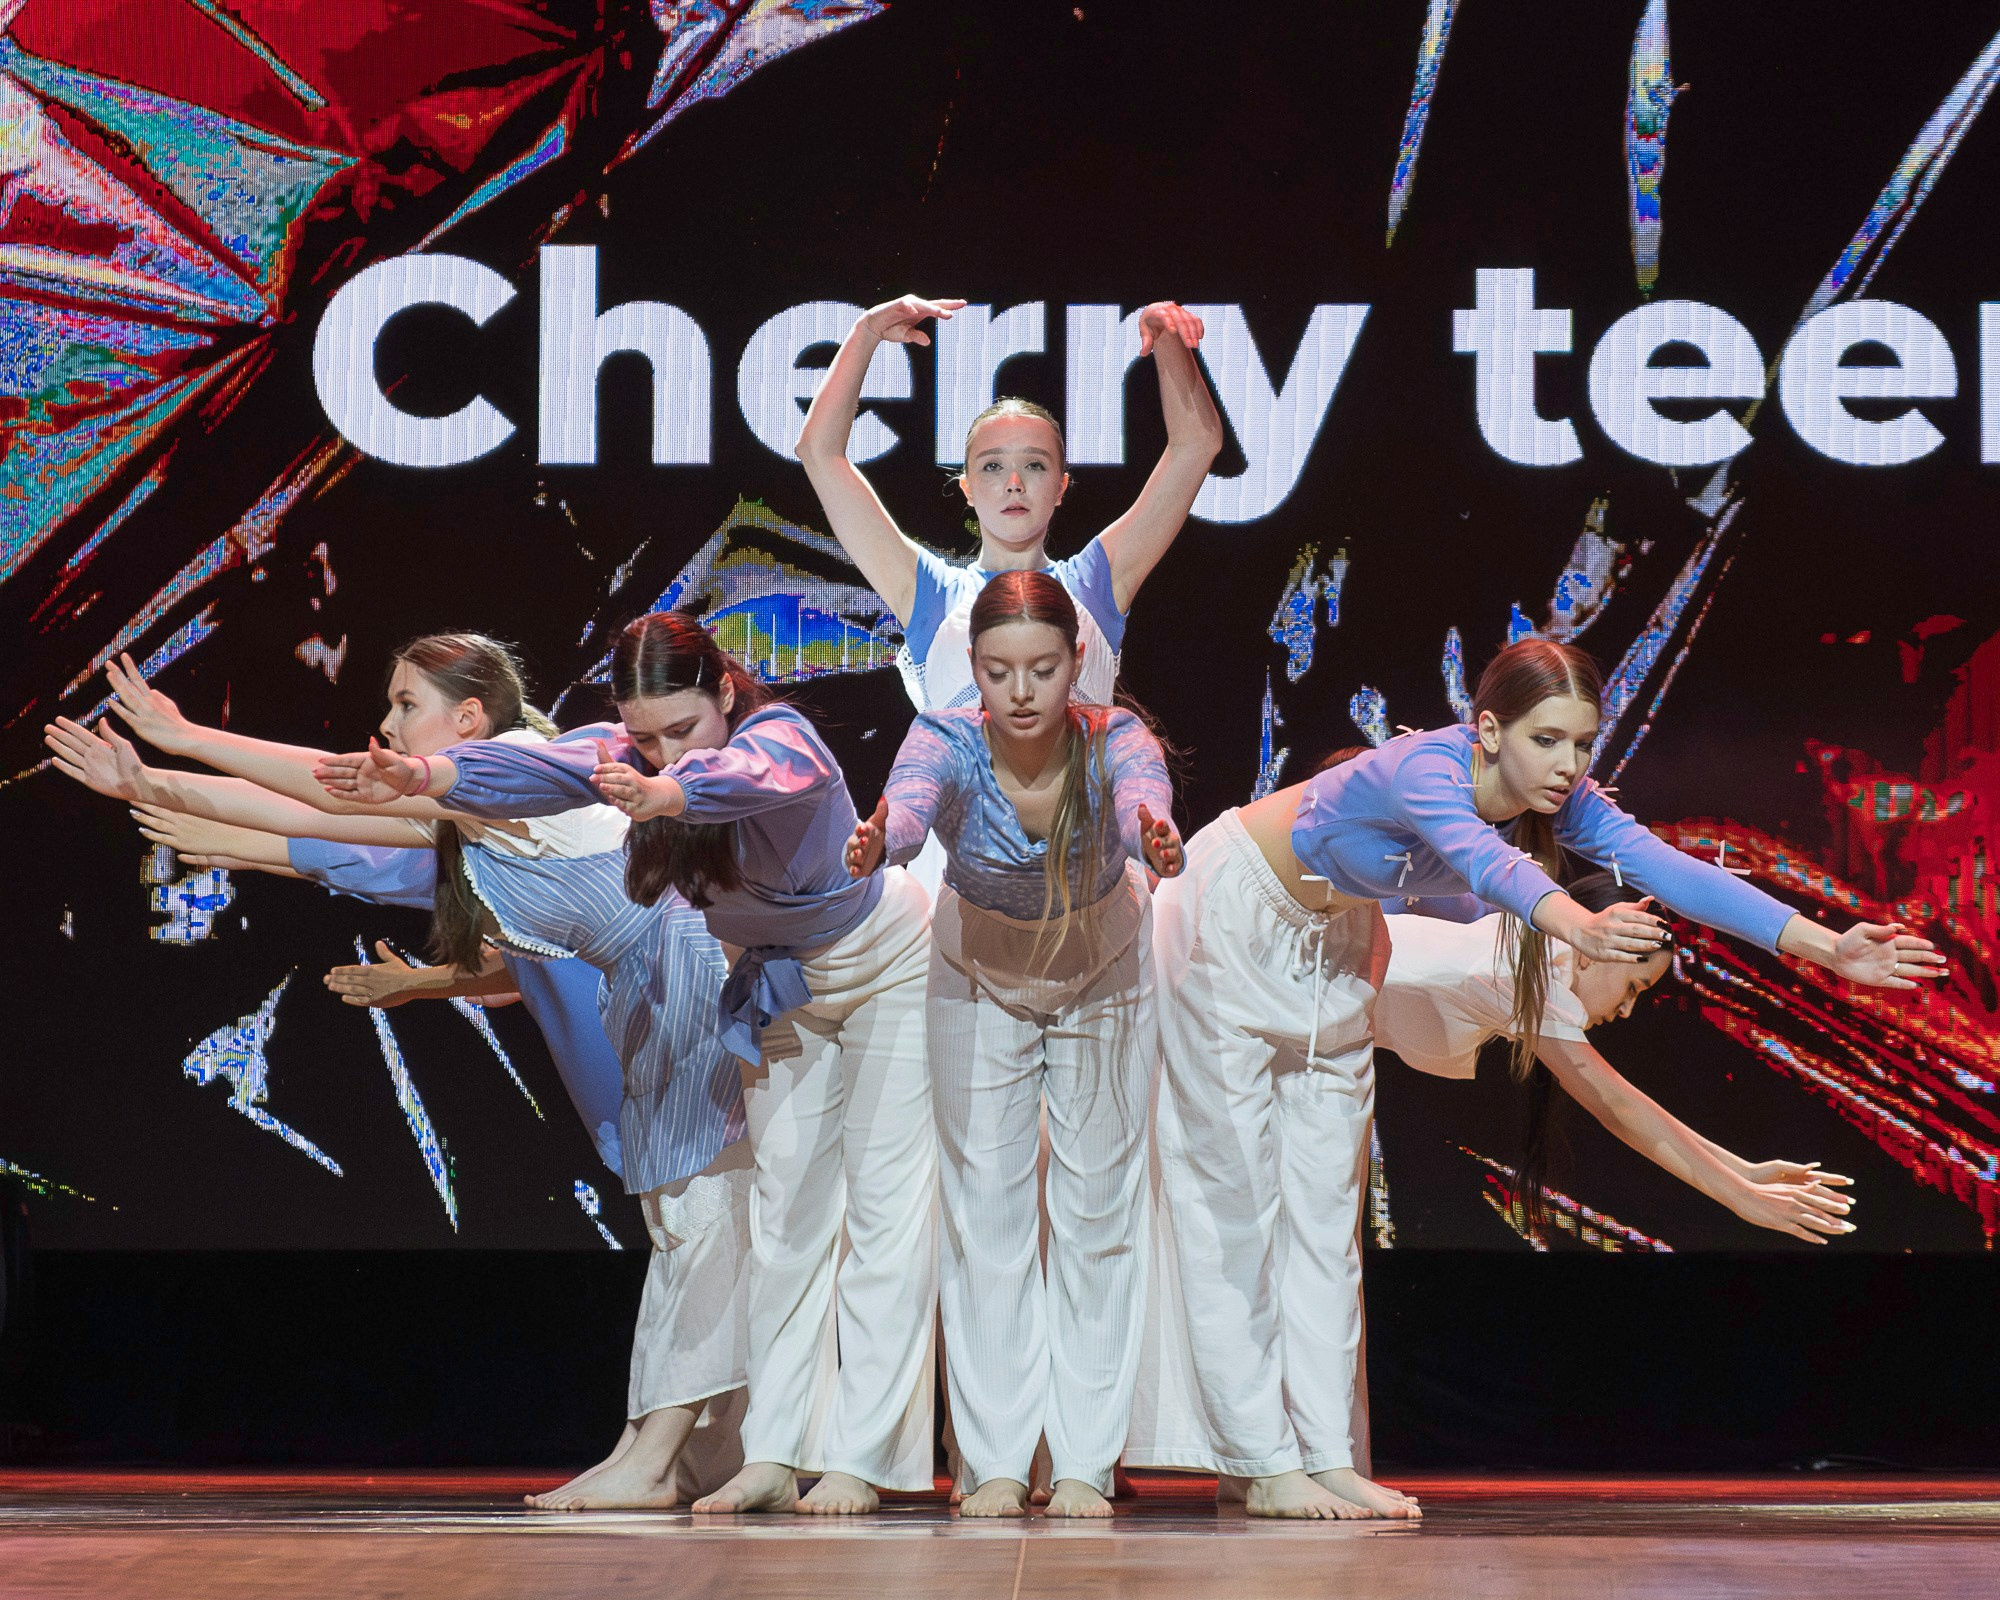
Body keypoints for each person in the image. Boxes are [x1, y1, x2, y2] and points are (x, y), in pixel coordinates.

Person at [1132, 637, 1945, 1521]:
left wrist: (1829, 947)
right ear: (1489, 730)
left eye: (1583, 744)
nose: (1568, 766)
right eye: (1547, 741)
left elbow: (1674, 872)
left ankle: (1320, 1455)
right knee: (1237, 1202)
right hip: (1232, 913)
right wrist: (1580, 929)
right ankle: (1257, 1458)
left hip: (1339, 939)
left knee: (1327, 1212)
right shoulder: (1426, 767)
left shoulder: (1567, 801)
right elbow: (1490, 866)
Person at [46, 638, 752, 1511]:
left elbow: (326, 785)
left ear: (468, 718)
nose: (387, 723)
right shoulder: (472, 813)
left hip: (688, 1006)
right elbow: (324, 821)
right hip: (648, 1024)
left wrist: (182, 738)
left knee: (704, 1231)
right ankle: (665, 1450)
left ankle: (664, 1455)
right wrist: (152, 782)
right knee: (692, 1237)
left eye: (406, 703)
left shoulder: (526, 767)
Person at [319, 613, 937, 1517]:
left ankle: (860, 1459)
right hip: (782, 986)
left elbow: (745, 777)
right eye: (644, 735)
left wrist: (670, 791)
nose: (659, 751)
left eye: (680, 730)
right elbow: (533, 767)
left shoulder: (777, 736)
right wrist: (420, 774)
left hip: (886, 965)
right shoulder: (627, 754)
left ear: (724, 691)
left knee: (882, 1215)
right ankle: (775, 1450)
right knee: (787, 1217)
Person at [846, 573, 1180, 1519]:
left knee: (1098, 1215)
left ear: (1078, 662)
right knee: (986, 1214)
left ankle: (1082, 1461)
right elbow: (908, 808)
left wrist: (1150, 837)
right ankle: (994, 1459)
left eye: (1042, 669)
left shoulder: (1116, 737)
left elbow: (1138, 802)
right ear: (973, 672)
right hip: (980, 969)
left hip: (1102, 962)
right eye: (998, 673)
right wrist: (883, 841)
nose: (1021, 692)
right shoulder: (945, 736)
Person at [795, 293, 1222, 718]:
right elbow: (819, 453)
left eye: (1034, 465)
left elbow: (1196, 445)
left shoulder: (1096, 586)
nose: (1014, 484)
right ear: (967, 488)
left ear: (1061, 487)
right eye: (993, 466)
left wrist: (1165, 337)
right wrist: (864, 333)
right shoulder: (928, 594)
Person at [1377, 872, 1860, 1245]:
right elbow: (1619, 1107)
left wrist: (1745, 1171)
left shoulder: (1533, 956)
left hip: (1324, 1022)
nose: (1627, 1010)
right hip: (1307, 1004)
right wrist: (1743, 1198)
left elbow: (1629, 1105)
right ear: (1595, 951)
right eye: (1633, 988)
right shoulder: (1529, 971)